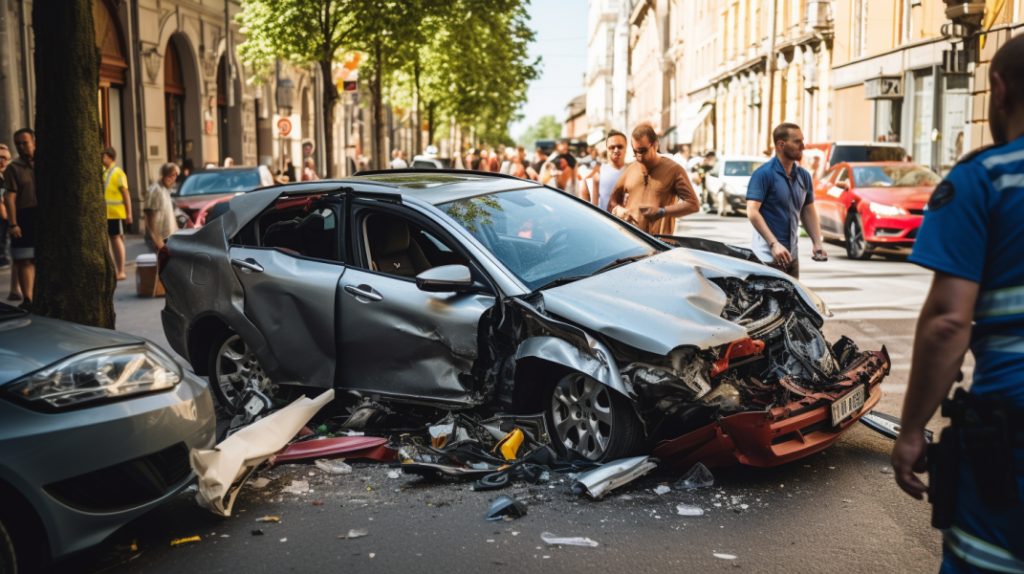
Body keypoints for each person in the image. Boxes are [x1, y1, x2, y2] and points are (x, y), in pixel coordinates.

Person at [891, 35, 1024, 574]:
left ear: (998, 89)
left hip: (1010, 439)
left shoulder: (985, 178)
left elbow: (948, 323)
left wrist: (910, 430)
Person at [745, 123, 825, 279]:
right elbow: (752, 211)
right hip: (766, 259)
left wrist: (817, 242)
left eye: (802, 140)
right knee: (767, 303)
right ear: (781, 144)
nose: (803, 145)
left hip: (791, 258)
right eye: (797, 141)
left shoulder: (804, 176)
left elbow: (807, 210)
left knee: (791, 303)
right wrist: (773, 244)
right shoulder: (762, 174)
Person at [608, 124, 699, 235]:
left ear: (655, 146)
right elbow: (613, 202)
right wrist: (617, 210)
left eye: (643, 151)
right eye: (635, 151)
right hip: (632, 243)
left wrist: (662, 211)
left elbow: (693, 204)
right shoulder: (630, 170)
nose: (639, 156)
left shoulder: (674, 170)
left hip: (660, 245)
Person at [101, 147, 132, 280]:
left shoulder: (118, 172)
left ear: (110, 157)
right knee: (110, 241)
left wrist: (129, 213)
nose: (101, 159)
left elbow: (126, 193)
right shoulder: (103, 172)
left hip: (116, 213)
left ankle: (121, 270)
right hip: (105, 214)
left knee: (116, 239)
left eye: (103, 157)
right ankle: (114, 269)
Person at [585, 130, 627, 211]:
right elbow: (594, 207)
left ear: (626, 148)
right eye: (612, 147)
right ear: (607, 150)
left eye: (620, 147)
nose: (616, 150)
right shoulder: (598, 173)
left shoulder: (633, 172)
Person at [0, 143, 20, 301]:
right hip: (4, 221)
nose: (3, 161)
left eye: (6, 158)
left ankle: (15, 289)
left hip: (7, 221)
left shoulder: (7, 176)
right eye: (0, 158)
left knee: (15, 256)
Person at [145, 163, 180, 252]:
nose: (172, 178)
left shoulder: (166, 190)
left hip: (167, 240)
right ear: (164, 174)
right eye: (170, 174)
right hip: (159, 242)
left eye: (175, 175)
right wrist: (158, 242)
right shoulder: (156, 190)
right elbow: (150, 217)